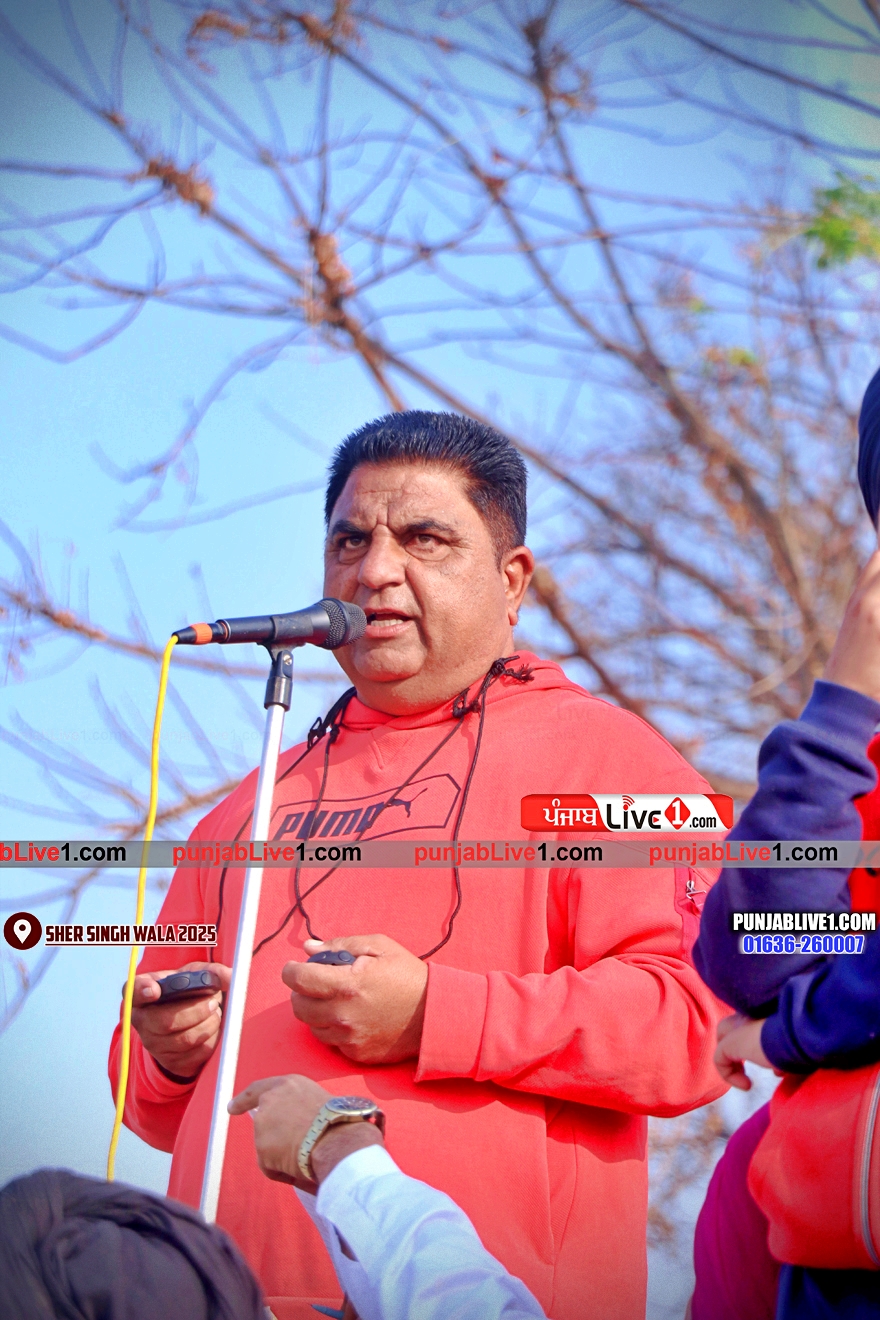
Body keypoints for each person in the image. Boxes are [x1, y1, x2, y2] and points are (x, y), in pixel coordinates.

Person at [109, 411, 727, 1320]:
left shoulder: (621, 764)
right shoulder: (245, 806)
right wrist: (167, 1053)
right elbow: (146, 1103)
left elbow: (702, 1025)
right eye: (349, 540)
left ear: (512, 581)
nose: (375, 570)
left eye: (424, 538)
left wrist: (438, 1013)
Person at [692, 365, 880, 1319]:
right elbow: (760, 959)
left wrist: (784, 1032)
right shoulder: (852, 756)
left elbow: (780, 1003)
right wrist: (843, 706)